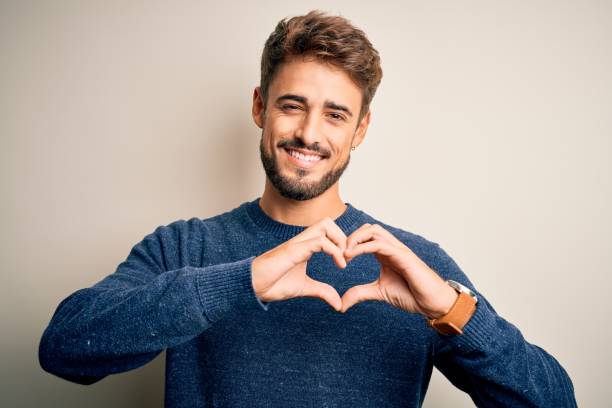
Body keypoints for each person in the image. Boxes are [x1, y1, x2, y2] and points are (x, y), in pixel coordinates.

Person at [39, 10, 577, 407]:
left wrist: (451, 311)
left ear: (360, 129)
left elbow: (553, 402)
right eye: (292, 105)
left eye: (335, 115)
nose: (308, 133)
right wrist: (240, 281)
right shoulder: (186, 247)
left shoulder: (416, 265)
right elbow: (64, 348)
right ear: (259, 107)